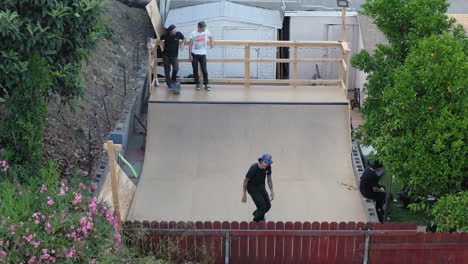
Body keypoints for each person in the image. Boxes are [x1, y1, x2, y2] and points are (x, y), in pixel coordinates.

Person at [241, 154, 275, 222]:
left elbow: (269, 179)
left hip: (261, 187)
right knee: (262, 206)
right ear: (261, 160)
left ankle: (256, 214)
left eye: (268, 163)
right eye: (265, 162)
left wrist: (272, 191)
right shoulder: (254, 168)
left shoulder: (268, 167)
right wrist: (244, 194)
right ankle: (255, 221)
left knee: (268, 206)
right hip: (252, 188)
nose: (266, 165)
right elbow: (245, 181)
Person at [189, 21, 213, 91]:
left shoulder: (206, 31)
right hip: (194, 53)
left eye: (205, 27)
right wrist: (190, 55)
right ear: (199, 27)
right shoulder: (193, 33)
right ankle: (197, 84)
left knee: (204, 70)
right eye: (203, 27)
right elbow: (190, 44)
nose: (205, 28)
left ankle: (206, 84)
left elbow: (211, 37)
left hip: (203, 53)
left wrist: (211, 41)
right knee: (195, 70)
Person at [160, 25, 184, 89]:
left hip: (174, 55)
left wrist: (182, 43)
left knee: (176, 68)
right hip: (166, 55)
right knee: (167, 70)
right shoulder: (165, 35)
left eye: (175, 30)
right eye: (174, 30)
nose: (175, 31)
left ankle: (173, 79)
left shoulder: (178, 34)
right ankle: (169, 84)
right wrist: (153, 42)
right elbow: (159, 39)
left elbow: (183, 38)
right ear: (170, 31)